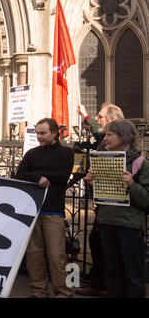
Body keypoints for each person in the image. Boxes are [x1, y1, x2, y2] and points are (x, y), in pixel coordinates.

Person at [84, 119, 147, 298]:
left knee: (133, 275)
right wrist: (91, 183)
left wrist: (132, 185)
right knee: (112, 273)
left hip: (129, 226)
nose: (104, 139)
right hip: (106, 222)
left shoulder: (140, 163)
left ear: (123, 137)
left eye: (110, 134)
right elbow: (100, 196)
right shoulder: (102, 159)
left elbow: (147, 200)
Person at [15, 118, 74, 298]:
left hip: (53, 210)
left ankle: (63, 292)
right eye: (38, 133)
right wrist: (38, 177)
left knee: (57, 255)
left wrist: (41, 175)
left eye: (43, 133)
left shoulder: (66, 153)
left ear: (55, 133)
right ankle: (39, 291)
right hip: (33, 210)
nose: (39, 136)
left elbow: (63, 176)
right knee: (34, 255)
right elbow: (20, 175)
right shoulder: (32, 154)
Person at [75, 103, 124, 297]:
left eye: (101, 117)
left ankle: (107, 285)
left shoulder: (117, 141)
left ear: (112, 121)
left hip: (116, 205)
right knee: (97, 241)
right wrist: (85, 115)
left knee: (109, 246)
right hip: (103, 201)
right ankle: (99, 283)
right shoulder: (106, 138)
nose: (97, 119)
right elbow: (97, 131)